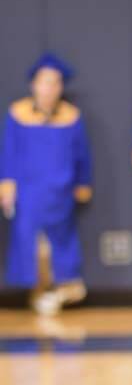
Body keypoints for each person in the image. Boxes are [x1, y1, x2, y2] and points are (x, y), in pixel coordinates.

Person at [0, 53, 93, 315]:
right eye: (44, 82)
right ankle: (36, 291)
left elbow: (81, 154)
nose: (48, 88)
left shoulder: (71, 117)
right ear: (34, 85)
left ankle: (60, 289)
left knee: (59, 244)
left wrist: (82, 182)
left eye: (54, 83)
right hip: (29, 190)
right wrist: (7, 185)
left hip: (60, 190)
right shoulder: (18, 115)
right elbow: (9, 151)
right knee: (31, 242)